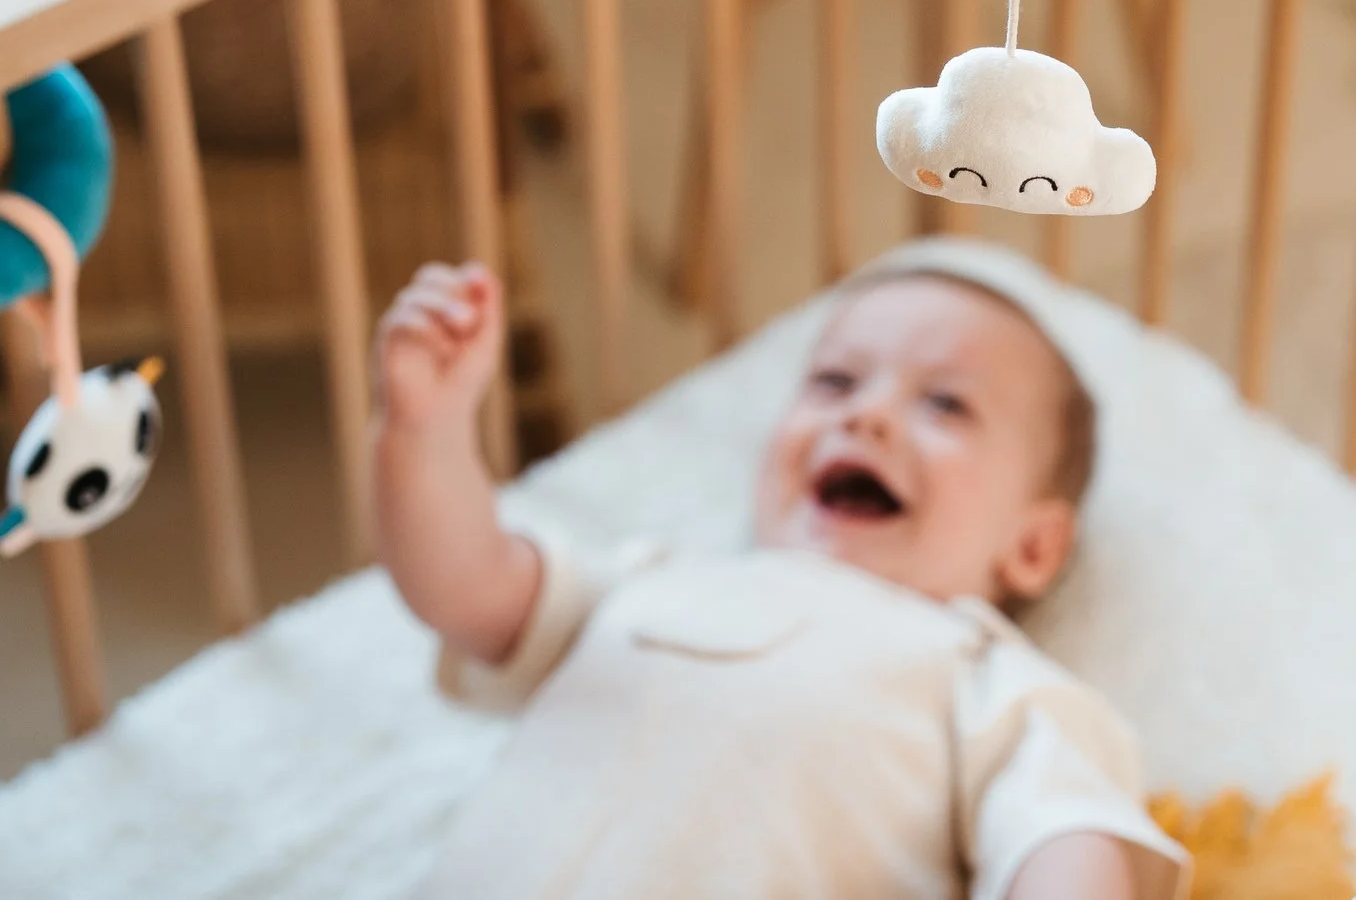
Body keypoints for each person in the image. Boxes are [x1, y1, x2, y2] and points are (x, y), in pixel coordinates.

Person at [375, 252, 1186, 900]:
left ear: (1033, 547)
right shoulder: (656, 580)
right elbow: (465, 586)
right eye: (835, 380)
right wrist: (428, 432)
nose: (864, 415)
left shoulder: (991, 678)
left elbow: (1065, 838)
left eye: (945, 404)